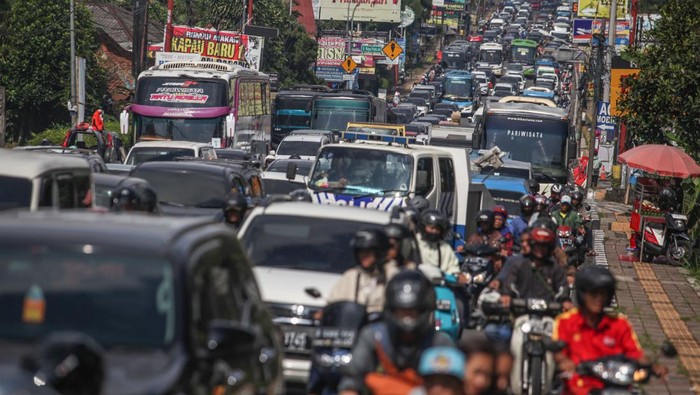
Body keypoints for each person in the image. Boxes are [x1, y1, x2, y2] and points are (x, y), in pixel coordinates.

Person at [553, 265, 668, 395]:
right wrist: (565, 362)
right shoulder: (565, 322)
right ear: (582, 294)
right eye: (593, 293)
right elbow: (558, 352)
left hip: (616, 387)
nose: (599, 298)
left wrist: (652, 367)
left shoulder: (619, 324)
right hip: (577, 388)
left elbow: (635, 353)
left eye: (604, 293)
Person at [338, 271, 454, 395]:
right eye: (402, 312)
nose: (407, 320)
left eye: (412, 312)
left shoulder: (440, 342)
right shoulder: (374, 336)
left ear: (425, 309)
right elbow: (351, 381)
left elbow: (452, 386)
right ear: (391, 309)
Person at [499, 227, 571, 394]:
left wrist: (565, 301)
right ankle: (504, 378)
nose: (540, 249)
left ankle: (557, 379)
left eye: (544, 246)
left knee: (561, 348)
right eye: (537, 245)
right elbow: (509, 284)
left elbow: (562, 289)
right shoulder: (519, 264)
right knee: (507, 341)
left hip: (548, 318)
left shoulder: (555, 268)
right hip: (521, 316)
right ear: (531, 245)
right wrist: (506, 296)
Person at [327, 229, 399, 315]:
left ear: (379, 252)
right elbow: (333, 303)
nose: (363, 256)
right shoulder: (351, 275)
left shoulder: (393, 275)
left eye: (368, 252)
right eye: (360, 252)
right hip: (351, 325)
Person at [416, 210, 463, 278]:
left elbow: (454, 270)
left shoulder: (445, 247)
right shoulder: (414, 242)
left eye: (437, 229)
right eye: (432, 228)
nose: (434, 231)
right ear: (423, 227)